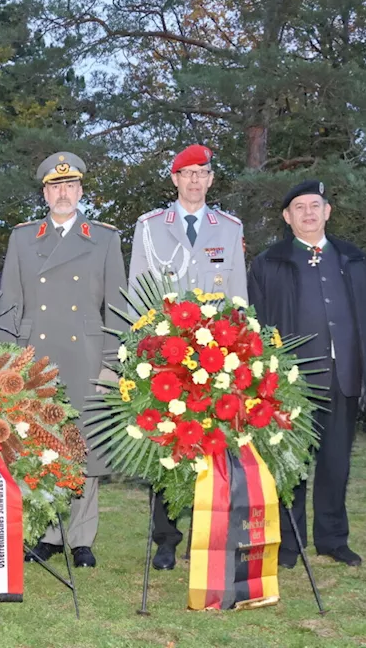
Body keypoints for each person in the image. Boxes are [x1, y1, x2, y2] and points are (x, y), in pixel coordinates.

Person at [0, 152, 127, 568]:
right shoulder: (23, 238)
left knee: (84, 445)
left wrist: (112, 362)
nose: (63, 194)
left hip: (86, 354)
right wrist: (6, 360)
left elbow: (118, 306)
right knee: (41, 441)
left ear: (81, 191)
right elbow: (9, 302)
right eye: (55, 187)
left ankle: (82, 537)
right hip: (37, 353)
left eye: (70, 186)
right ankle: (48, 532)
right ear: (45, 194)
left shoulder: (105, 238)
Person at [247, 179, 366, 568]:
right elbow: (256, 325)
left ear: (327, 211)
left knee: (336, 464)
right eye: (299, 208)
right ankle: (289, 544)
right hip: (292, 385)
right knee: (290, 466)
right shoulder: (268, 263)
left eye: (315, 206)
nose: (308, 213)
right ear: (287, 218)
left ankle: (333, 539)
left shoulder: (354, 260)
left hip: (344, 379)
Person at [129, 144, 247, 570]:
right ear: (174, 179)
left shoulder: (229, 228)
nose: (195, 180)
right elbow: (138, 296)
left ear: (211, 180)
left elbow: (238, 298)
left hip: (216, 356)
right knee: (167, 444)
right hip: (166, 353)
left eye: (203, 173)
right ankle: (165, 539)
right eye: (187, 173)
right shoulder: (149, 227)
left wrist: (240, 350)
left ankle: (208, 534)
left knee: (213, 445)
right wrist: (140, 351)